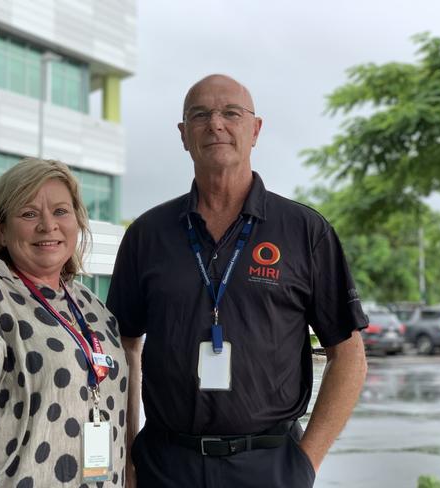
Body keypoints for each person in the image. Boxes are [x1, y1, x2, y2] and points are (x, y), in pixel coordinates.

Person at [107, 74, 368, 488]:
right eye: (200, 115)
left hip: (269, 466)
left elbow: (349, 354)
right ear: (183, 134)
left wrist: (306, 462)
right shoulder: (148, 234)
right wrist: (124, 450)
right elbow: (124, 347)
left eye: (231, 113)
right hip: (165, 466)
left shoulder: (305, 231)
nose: (216, 124)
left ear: (255, 129)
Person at [0, 158, 128, 488]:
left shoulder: (92, 307)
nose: (48, 225)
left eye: (61, 211)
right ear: (1, 227)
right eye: (29, 214)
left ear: (77, 220)